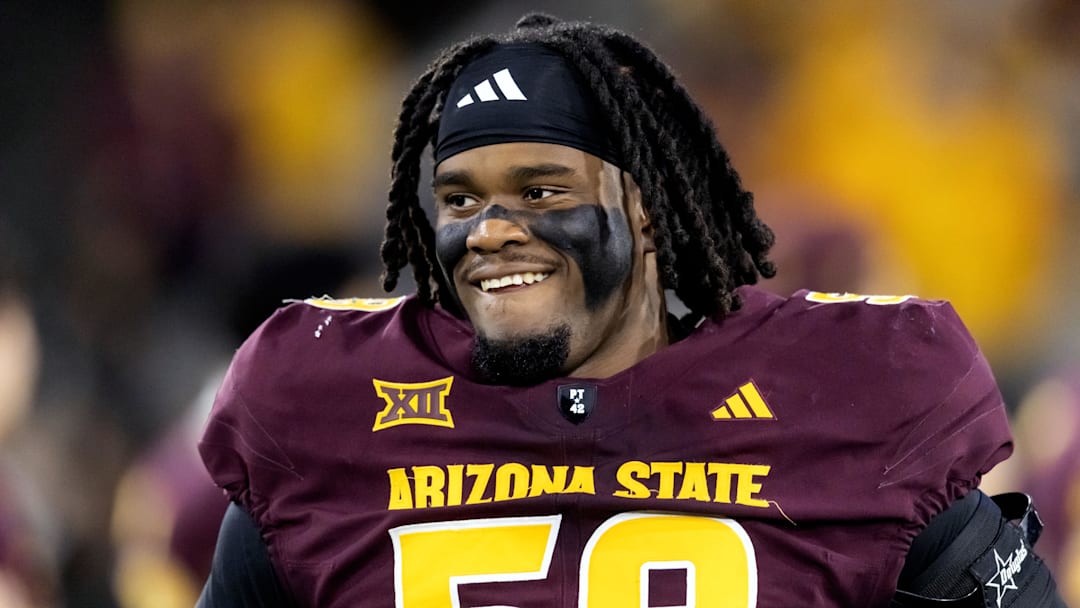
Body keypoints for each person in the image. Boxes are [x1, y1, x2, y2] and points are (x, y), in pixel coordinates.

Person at [196, 14, 1066, 607]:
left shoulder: (844, 390)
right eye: (459, 201)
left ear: (647, 206)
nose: (490, 231)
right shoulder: (326, 408)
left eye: (541, 191)